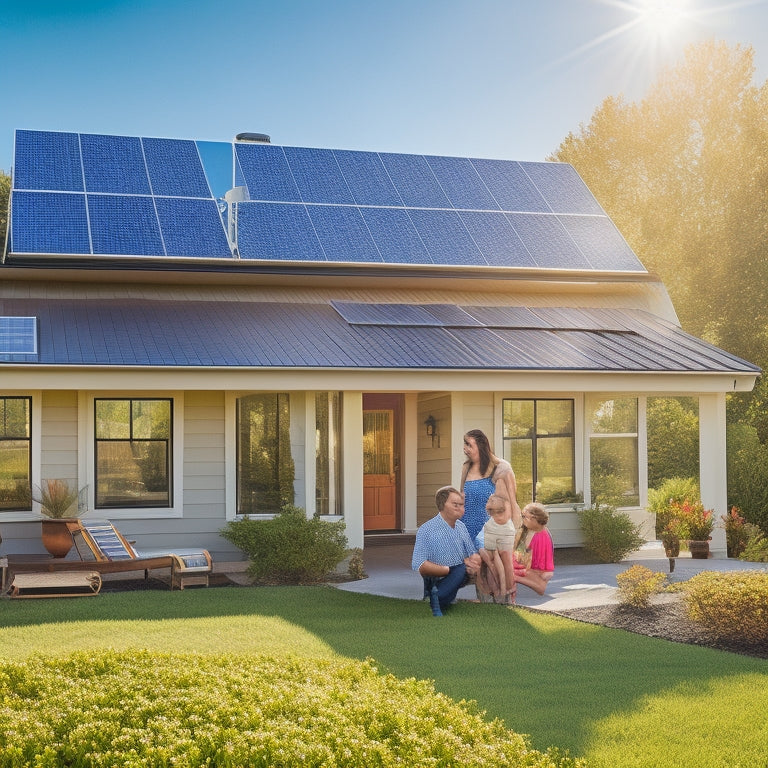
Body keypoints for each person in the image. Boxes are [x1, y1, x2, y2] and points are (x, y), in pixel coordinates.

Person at [411, 486, 482, 616]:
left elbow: (471, 551)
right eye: (456, 505)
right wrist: (447, 569)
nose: (461, 508)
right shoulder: (427, 530)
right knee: (459, 569)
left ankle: (436, 596)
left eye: (462, 505)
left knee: (469, 566)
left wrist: (474, 560)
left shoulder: (461, 526)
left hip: (459, 571)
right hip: (439, 573)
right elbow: (419, 564)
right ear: (442, 505)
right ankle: (437, 596)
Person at [460, 429, 522, 542]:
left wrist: (514, 534)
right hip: (466, 528)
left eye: (469, 445)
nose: (465, 448)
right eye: (465, 444)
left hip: (489, 532)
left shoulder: (501, 468)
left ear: (481, 446)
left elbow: (512, 503)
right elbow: (462, 497)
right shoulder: (466, 467)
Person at [478, 494, 517, 604]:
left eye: (493, 500)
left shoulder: (506, 520)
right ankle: (497, 591)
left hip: (503, 532)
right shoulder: (490, 521)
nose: (490, 500)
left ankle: (504, 590)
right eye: (489, 499)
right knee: (492, 561)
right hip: (490, 532)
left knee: (502, 560)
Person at [513, 502, 555, 595]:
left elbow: (538, 561)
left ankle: (516, 578)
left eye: (525, 517)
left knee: (509, 572)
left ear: (534, 518)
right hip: (525, 564)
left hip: (534, 569)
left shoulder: (541, 535)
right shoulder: (529, 530)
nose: (523, 519)